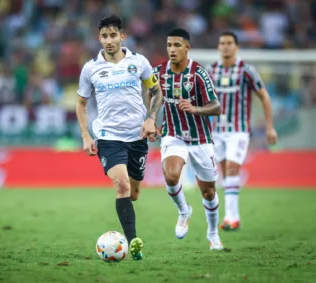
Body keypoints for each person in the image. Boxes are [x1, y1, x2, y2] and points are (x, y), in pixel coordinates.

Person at [75, 15, 163, 260]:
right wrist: (85, 135)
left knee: (134, 192)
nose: (109, 40)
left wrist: (151, 119)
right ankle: (134, 244)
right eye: (104, 36)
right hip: (107, 136)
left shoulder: (140, 62)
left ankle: (130, 230)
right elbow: (81, 104)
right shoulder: (91, 68)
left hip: (137, 137)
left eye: (113, 35)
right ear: (99, 39)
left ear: (122, 37)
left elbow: (156, 91)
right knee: (122, 184)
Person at [149, 28, 223, 250]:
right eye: (169, 45)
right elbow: (150, 92)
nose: (172, 49)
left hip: (201, 139)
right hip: (173, 135)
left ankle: (212, 234)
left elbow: (216, 107)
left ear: (187, 48)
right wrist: (150, 119)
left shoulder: (199, 73)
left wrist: (195, 108)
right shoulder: (158, 72)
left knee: (208, 191)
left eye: (177, 45)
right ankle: (184, 211)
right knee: (171, 177)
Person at [207, 31, 278, 231]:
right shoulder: (211, 71)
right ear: (218, 47)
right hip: (216, 131)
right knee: (223, 172)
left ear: (236, 47)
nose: (226, 46)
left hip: (238, 130)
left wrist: (270, 126)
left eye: (229, 43)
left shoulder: (246, 70)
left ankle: (231, 217)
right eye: (222, 43)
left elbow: (264, 96)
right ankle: (233, 216)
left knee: (231, 168)